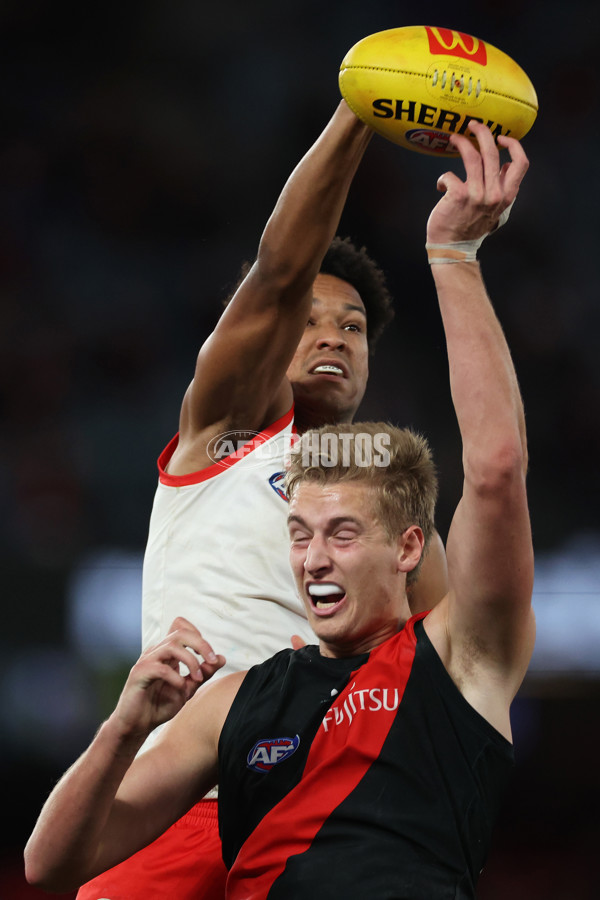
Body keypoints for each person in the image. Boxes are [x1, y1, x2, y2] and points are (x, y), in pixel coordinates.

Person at [25, 121, 534, 899]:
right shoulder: (228, 431)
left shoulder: (406, 523)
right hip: (191, 790)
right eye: (311, 320)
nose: (334, 337)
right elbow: (280, 271)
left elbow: (448, 690)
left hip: (339, 802)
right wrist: (357, 114)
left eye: (353, 327)